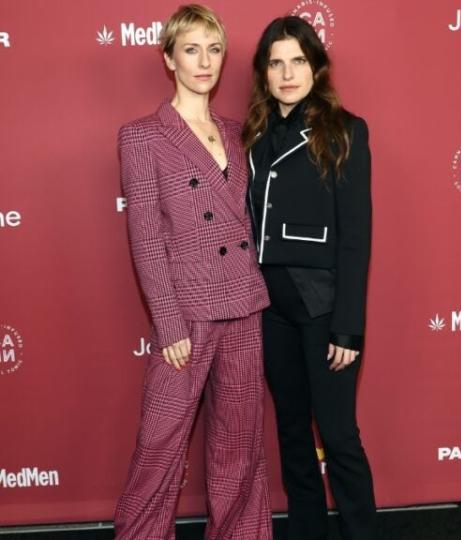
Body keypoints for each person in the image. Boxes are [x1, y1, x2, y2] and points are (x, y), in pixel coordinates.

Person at [113, 5, 272, 539]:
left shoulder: (237, 133)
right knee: (160, 443)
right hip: (187, 311)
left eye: (214, 49)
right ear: (169, 59)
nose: (204, 61)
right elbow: (146, 237)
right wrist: (170, 322)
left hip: (245, 305)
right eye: (191, 49)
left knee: (240, 447)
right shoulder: (142, 136)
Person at [242, 16, 376, 540]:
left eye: (297, 60)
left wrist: (348, 327)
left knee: (338, 435)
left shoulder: (346, 129)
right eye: (276, 62)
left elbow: (356, 234)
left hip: (323, 306)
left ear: (316, 67)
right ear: (264, 73)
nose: (287, 72)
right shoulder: (250, 135)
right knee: (293, 433)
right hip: (268, 304)